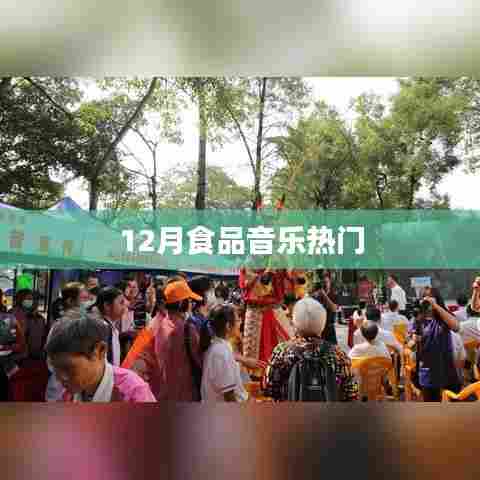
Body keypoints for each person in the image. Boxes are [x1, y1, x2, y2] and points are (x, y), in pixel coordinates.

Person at [46, 310, 155, 402]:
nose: (60, 378)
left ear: (100, 351)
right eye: (55, 368)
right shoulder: (68, 392)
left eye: (68, 368)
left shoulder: (135, 393)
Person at [263, 297, 358, 402]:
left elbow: (268, 388)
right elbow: (351, 391)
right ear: (322, 325)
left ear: (294, 323)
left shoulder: (282, 351)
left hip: (290, 411)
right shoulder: (337, 353)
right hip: (329, 411)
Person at [154, 280, 203, 401]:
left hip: (167, 393)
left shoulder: (162, 324)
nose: (191, 304)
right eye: (189, 300)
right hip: (186, 394)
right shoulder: (186, 329)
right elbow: (201, 360)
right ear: (181, 303)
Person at [414, 288, 461, 402]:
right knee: (431, 404)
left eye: (430, 297)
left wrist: (435, 306)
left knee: (454, 403)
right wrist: (414, 340)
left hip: (446, 367)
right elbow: (415, 341)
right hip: (428, 370)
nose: (427, 300)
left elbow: (456, 327)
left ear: (437, 299)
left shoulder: (443, 317)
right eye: (424, 297)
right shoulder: (419, 319)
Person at [239, 267, 292, 366]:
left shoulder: (278, 263)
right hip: (256, 312)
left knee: (287, 353)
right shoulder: (249, 265)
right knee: (254, 359)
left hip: (273, 310)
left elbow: (291, 283)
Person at [200, 304, 249, 402]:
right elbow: (229, 395)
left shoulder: (220, 346)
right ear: (228, 326)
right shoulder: (220, 353)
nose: (241, 322)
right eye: (238, 320)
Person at [95, 287, 126, 367]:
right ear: (107, 305)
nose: (124, 307)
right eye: (121, 303)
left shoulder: (110, 327)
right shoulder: (103, 328)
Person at [312, 271, 338, 345]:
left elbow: (334, 308)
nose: (325, 285)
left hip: (329, 328)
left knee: (333, 348)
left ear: (329, 282)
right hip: (319, 328)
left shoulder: (333, 293)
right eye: (323, 283)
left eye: (326, 282)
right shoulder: (316, 295)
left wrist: (324, 295)